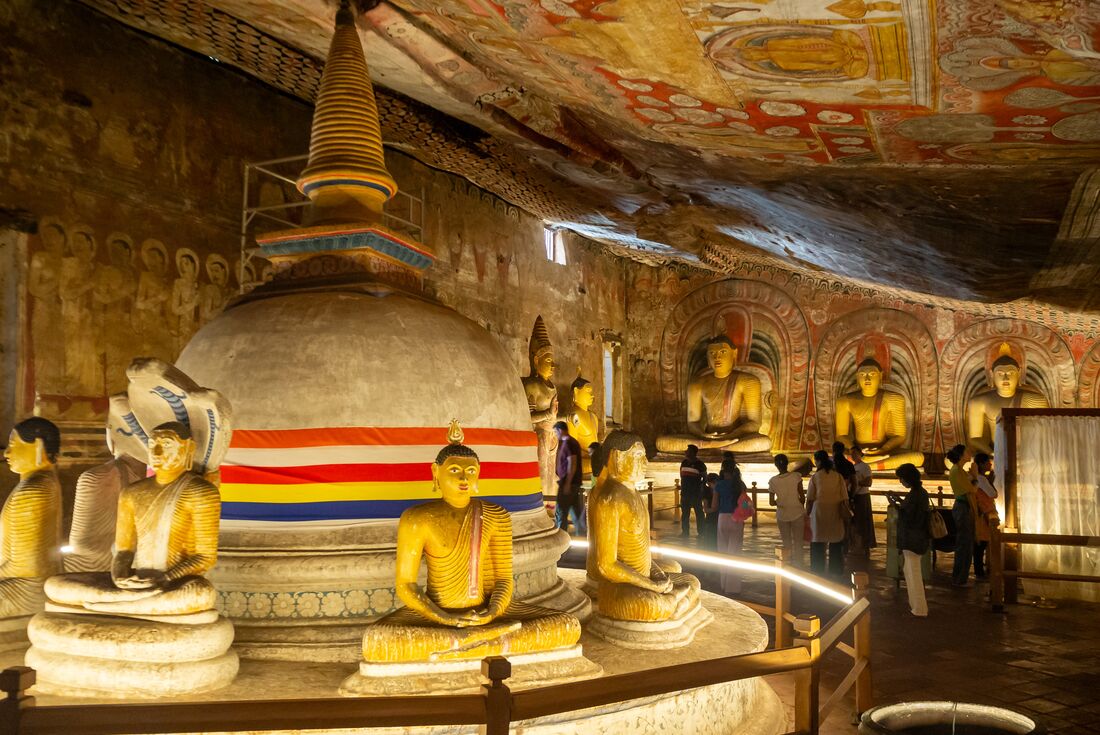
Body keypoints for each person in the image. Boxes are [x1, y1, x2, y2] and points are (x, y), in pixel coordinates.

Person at [894, 463, 930, 617]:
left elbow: (910, 516)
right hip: (916, 537)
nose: (901, 482)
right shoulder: (919, 493)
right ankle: (915, 605)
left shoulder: (916, 494)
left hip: (912, 538)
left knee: (913, 573)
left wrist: (898, 508)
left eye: (901, 478)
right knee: (910, 571)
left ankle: (920, 608)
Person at [710, 459, 750, 595]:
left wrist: (707, 509)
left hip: (722, 518)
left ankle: (723, 584)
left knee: (722, 552)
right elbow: (745, 503)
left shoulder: (719, 485)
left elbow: (714, 506)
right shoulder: (740, 485)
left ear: (722, 469)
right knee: (735, 552)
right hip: (736, 519)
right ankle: (733, 587)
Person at [807, 450, 848, 578]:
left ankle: (817, 568)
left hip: (819, 512)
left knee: (818, 539)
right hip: (835, 509)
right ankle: (836, 569)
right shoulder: (838, 476)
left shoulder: (815, 477)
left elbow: (810, 498)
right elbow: (844, 497)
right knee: (835, 539)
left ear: (817, 461)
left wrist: (807, 513)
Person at [947, 444, 976, 587]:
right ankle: (960, 578)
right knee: (964, 543)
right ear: (961, 455)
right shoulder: (957, 471)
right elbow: (972, 489)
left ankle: (960, 577)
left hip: (964, 506)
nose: (970, 453)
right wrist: (976, 477)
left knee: (965, 543)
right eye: (967, 451)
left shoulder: (960, 470)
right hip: (962, 507)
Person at [768, 454, 805, 563]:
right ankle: (799, 565)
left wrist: (780, 501)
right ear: (787, 463)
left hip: (782, 514)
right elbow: (802, 497)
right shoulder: (796, 476)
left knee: (786, 542)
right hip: (797, 512)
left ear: (775, 465)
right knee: (798, 542)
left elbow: (771, 502)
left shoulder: (773, 481)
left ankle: (787, 564)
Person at [554, 421, 585, 535]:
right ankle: (582, 535)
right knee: (576, 512)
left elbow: (572, 463)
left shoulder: (570, 443)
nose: (555, 435)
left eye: (555, 432)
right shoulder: (567, 442)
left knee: (561, 511)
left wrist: (567, 483)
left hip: (568, 483)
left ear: (560, 430)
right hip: (570, 482)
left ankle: (560, 537)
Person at [971, 452, 999, 579]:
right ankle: (979, 571)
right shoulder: (981, 479)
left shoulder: (978, 478)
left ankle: (980, 569)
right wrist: (991, 481)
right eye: (988, 462)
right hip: (984, 512)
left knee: (981, 543)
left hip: (981, 512)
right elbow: (993, 494)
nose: (990, 464)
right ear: (981, 464)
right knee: (981, 543)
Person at [849, 446, 876, 555]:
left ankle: (865, 546)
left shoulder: (865, 467)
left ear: (860, 454)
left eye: (855, 453)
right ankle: (856, 544)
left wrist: (856, 483)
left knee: (864, 521)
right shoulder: (852, 467)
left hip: (862, 495)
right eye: (851, 454)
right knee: (854, 522)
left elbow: (869, 482)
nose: (853, 455)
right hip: (855, 496)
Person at [678, 444, 707, 538]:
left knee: (699, 513)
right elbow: (681, 475)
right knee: (685, 514)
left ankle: (701, 532)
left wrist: (701, 488)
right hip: (685, 492)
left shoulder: (700, 464)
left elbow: (705, 478)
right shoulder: (684, 462)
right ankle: (685, 532)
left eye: (688, 450)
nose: (686, 452)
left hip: (695, 493)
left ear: (693, 453)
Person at [702, 473, 719, 550]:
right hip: (711, 521)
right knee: (710, 543)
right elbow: (705, 509)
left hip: (718, 520)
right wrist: (714, 509)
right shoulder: (707, 493)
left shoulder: (719, 492)